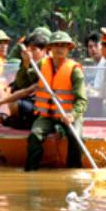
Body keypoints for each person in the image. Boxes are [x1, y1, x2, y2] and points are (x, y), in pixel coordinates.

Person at [25, 31, 88, 171]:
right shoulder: (41, 64)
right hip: (47, 115)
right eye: (56, 45)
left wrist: (73, 115)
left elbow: (82, 100)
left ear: (68, 49)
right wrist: (26, 62)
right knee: (34, 135)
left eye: (63, 46)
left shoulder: (74, 70)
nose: (59, 49)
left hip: (68, 115)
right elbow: (24, 80)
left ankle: (73, 170)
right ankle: (30, 172)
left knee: (76, 137)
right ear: (50, 48)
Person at [0, 33, 49, 129]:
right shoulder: (29, 62)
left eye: (34, 50)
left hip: (46, 106)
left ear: (44, 50)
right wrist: (26, 63)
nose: (30, 53)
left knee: (14, 104)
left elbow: (28, 89)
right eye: (29, 50)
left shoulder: (47, 64)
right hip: (33, 101)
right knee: (13, 98)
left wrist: (1, 102)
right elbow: (20, 84)